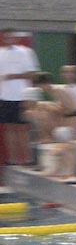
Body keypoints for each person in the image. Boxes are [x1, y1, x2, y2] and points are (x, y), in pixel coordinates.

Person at [0, 28, 40, 165]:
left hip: (22, 95)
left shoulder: (26, 52)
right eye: (6, 37)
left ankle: (27, 159)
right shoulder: (0, 53)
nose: (9, 39)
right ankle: (13, 159)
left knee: (23, 128)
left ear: (16, 37)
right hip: (5, 96)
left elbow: (33, 73)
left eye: (11, 36)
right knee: (9, 128)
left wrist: (13, 76)